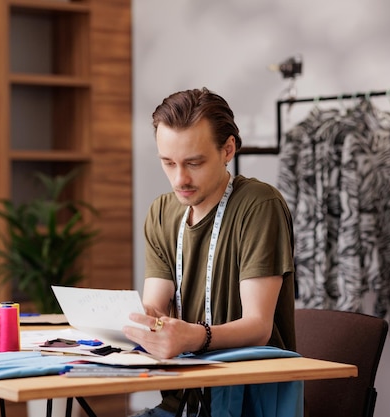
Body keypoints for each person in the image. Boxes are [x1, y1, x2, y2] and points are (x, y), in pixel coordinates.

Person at [123, 88, 296, 416]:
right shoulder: (162, 212)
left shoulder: (259, 205)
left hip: (246, 403)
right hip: (181, 404)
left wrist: (190, 336)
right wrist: (132, 322)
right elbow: (155, 308)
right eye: (168, 163)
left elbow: (258, 326)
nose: (180, 178)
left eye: (194, 162)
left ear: (228, 149)